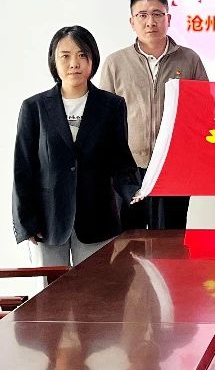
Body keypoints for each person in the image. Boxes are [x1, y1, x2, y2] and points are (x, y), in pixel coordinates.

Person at [12, 25, 141, 267]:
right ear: (54, 61)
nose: (74, 63)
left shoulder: (111, 106)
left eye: (82, 55)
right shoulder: (34, 107)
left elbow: (120, 161)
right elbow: (23, 169)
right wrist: (26, 223)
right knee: (50, 290)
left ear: (93, 60)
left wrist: (135, 191)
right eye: (66, 56)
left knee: (94, 289)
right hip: (48, 222)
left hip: (97, 219)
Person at [100, 0, 208, 230]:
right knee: (128, 241)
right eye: (142, 15)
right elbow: (104, 120)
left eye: (157, 14)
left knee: (169, 239)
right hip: (128, 168)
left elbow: (204, 110)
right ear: (132, 22)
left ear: (168, 19)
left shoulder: (189, 60)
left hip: (173, 168)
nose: (151, 22)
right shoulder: (115, 63)